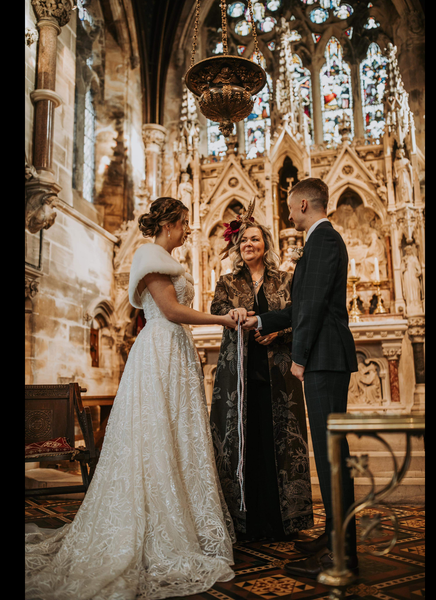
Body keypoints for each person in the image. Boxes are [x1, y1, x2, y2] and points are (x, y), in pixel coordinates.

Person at [25, 197, 238, 600]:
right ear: (170, 224)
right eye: (185, 223)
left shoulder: (163, 256)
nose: (189, 229)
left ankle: (183, 520)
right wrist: (223, 320)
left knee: (175, 436)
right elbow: (172, 311)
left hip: (174, 352)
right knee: (154, 436)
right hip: (159, 350)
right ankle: (158, 528)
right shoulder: (149, 256)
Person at [239, 178, 359, 578]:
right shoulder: (319, 241)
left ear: (304, 204)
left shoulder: (324, 241)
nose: (288, 214)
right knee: (328, 455)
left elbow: (311, 306)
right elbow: (296, 309)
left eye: (290, 208)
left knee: (331, 457)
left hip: (323, 358)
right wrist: (260, 318)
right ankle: (333, 536)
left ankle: (343, 555)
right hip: (323, 357)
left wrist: (300, 358)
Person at [209, 203, 314, 543]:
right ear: (237, 248)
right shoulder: (227, 282)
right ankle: (243, 521)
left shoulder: (285, 279)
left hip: (277, 376)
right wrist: (234, 312)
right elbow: (218, 310)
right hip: (238, 377)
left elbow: (298, 317)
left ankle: (282, 521)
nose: (248, 245)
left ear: (265, 244)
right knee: (243, 444)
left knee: (278, 445)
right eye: (243, 241)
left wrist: (276, 332)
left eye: (254, 239)